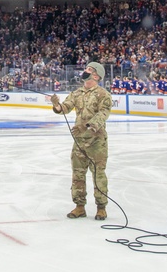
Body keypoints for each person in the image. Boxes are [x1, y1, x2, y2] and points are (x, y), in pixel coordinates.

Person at [50, 62, 111, 221]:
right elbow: (65, 108)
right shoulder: (77, 93)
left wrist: (85, 128)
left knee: (98, 175)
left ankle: (101, 207)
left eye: (89, 69)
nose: (85, 71)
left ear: (96, 76)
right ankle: (79, 206)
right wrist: (56, 104)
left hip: (96, 143)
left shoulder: (103, 94)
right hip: (79, 143)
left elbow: (102, 114)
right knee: (78, 174)